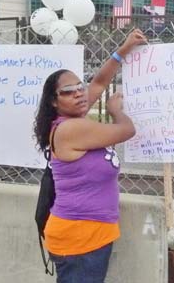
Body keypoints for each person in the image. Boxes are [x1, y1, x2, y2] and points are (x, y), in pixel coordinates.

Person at [33, 30, 147, 283]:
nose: (78, 93)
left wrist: (124, 49)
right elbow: (127, 130)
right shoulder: (73, 129)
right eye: (68, 91)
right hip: (80, 237)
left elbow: (98, 83)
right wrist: (115, 111)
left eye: (78, 88)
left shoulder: (73, 118)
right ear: (54, 101)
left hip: (88, 234)